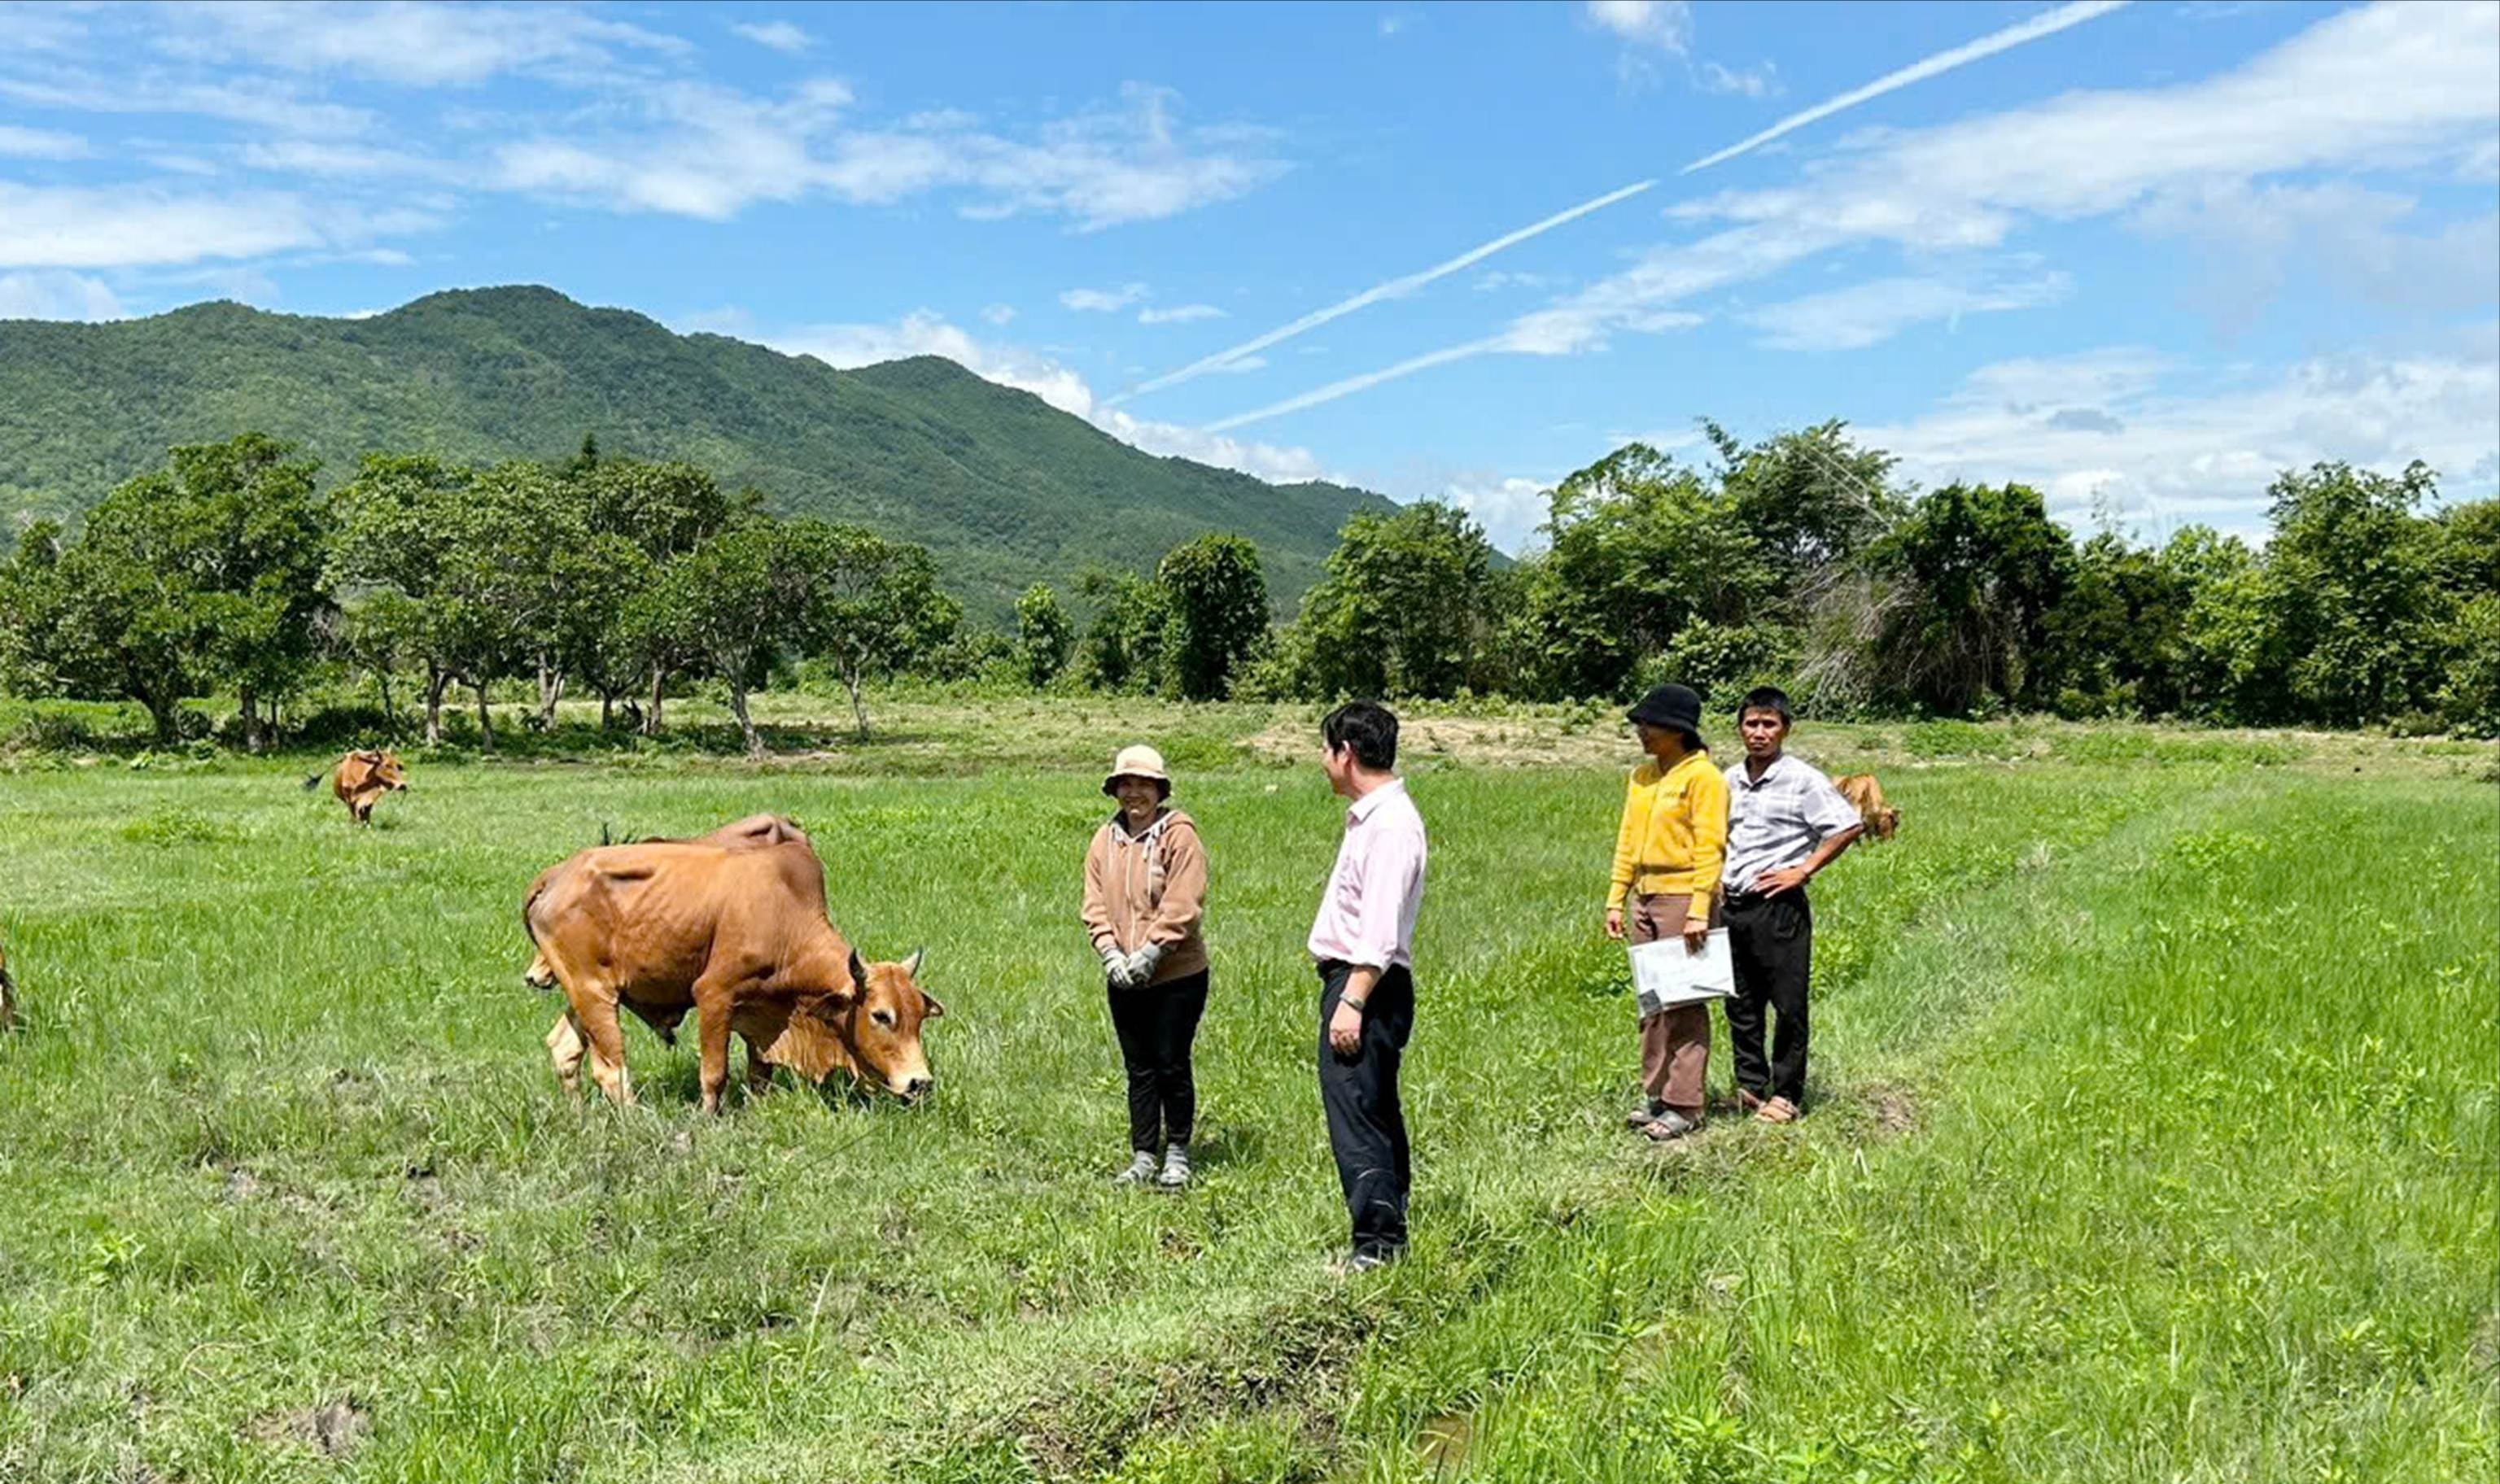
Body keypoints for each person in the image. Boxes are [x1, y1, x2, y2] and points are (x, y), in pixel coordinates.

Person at [1308, 701, 1427, 1272]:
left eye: (1326, 750)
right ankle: (1389, 1224)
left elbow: (1378, 930)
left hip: (1367, 986)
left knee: (1357, 1113)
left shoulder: (1389, 825)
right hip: (1367, 983)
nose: (1323, 762)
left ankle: (1377, 1244)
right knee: (1374, 1106)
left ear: (1346, 753)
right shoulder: (1375, 817)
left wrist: (1352, 999)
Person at [1720, 687, 1864, 1124]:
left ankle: (1786, 1093)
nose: (1759, 733)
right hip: (1733, 905)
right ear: (1740, 727)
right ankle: (1749, 1085)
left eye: (1769, 725)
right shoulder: (1728, 779)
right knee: (1740, 1003)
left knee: (1787, 1002)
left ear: (1785, 730)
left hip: (1778, 906)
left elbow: (1847, 825)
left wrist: (1804, 869)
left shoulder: (1802, 778)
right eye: (1751, 724)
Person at [1082, 744, 1211, 1188]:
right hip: (1123, 977)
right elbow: (1094, 904)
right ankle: (1142, 1154)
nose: (1134, 793)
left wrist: (1153, 951)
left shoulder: (1180, 835)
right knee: (1138, 1066)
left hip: (1177, 975)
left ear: (1159, 790)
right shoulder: (1104, 839)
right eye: (1126, 784)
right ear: (1115, 790)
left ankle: (1177, 1151)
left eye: (1143, 785)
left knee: (1171, 1062)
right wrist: (1111, 954)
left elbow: (1184, 902)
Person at [1606, 683, 1729, 1141]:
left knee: (1685, 1003)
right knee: (1653, 1003)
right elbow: (1627, 840)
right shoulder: (1641, 777)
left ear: (1677, 730)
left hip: (1684, 898)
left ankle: (1686, 1102)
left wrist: (1700, 908)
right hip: (1647, 896)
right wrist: (1617, 897)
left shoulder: (1704, 778)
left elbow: (1710, 846)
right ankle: (1655, 1093)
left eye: (1649, 724)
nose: (1641, 731)